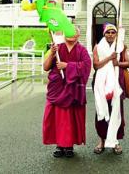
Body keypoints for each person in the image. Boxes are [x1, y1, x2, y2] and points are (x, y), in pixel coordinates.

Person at [42, 27, 92, 158]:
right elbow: (46, 67)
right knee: (57, 118)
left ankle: (69, 145)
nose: (71, 34)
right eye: (68, 31)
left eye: (74, 32)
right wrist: (52, 54)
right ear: (64, 34)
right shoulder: (57, 48)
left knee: (70, 119)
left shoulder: (82, 51)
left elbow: (87, 66)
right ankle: (59, 145)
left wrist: (67, 66)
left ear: (78, 35)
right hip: (57, 88)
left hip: (73, 90)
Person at [92, 23, 129, 155]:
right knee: (101, 110)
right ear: (104, 34)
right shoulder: (98, 47)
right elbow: (96, 65)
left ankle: (115, 141)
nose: (110, 35)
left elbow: (128, 63)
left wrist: (117, 62)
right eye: (108, 32)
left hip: (116, 83)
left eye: (113, 32)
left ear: (116, 34)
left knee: (117, 111)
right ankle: (102, 141)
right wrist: (109, 58)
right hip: (100, 84)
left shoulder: (121, 47)